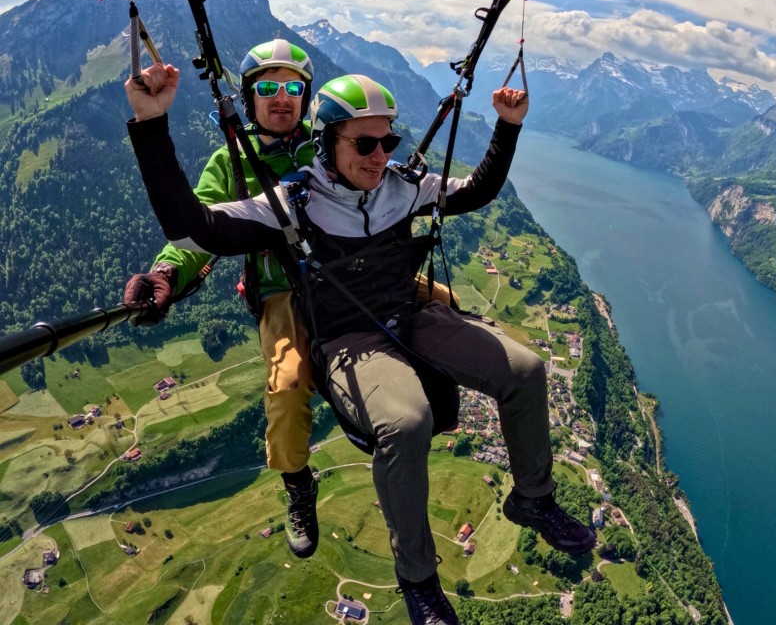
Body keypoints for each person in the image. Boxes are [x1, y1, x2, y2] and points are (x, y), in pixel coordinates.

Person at [125, 65, 596, 625]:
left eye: (387, 142)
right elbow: (193, 226)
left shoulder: (402, 185)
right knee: (406, 421)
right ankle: (418, 579)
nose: (379, 156)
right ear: (327, 142)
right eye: (365, 143)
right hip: (349, 338)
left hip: (409, 314)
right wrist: (151, 124)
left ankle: (533, 498)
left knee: (527, 369)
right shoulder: (293, 202)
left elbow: (477, 191)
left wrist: (508, 126)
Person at [122, 39, 322, 559]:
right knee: (287, 385)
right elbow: (198, 224)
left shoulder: (329, 145)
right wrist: (167, 272)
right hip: (281, 289)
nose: (282, 98)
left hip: (350, 277)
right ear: (250, 97)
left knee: (442, 305)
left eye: (293, 88)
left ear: (307, 97)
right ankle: (298, 483)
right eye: (268, 87)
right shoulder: (231, 162)